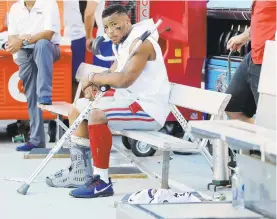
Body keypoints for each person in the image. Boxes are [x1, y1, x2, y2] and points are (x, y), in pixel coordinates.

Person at [46, 4, 171, 199]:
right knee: (77, 108)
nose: (110, 31)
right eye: (106, 27)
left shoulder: (141, 43)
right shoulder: (124, 42)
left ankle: (101, 181)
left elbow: (124, 79)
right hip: (129, 103)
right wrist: (94, 80)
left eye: (116, 25)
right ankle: (80, 173)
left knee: (97, 115)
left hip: (147, 109)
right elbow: (112, 73)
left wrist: (94, 77)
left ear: (127, 21)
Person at [7, 0, 61, 151]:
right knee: (31, 95)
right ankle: (37, 140)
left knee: (41, 44)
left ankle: (45, 93)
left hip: (48, 49)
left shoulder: (49, 4)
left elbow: (48, 34)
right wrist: (21, 42)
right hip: (25, 51)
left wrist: (23, 40)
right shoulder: (15, 8)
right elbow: (12, 38)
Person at [225, 0, 276, 124]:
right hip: (254, 56)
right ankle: (258, 141)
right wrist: (244, 36)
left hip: (270, 61)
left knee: (270, 120)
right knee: (232, 107)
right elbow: (264, 18)